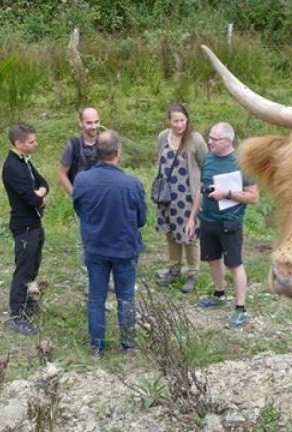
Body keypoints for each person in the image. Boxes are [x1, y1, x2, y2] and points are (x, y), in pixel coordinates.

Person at [72, 129, 147, 356]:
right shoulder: (132, 184)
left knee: (96, 296)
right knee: (126, 297)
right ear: (118, 153)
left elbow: (79, 210)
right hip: (124, 248)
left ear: (96, 152)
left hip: (94, 246)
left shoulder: (82, 180)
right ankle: (129, 345)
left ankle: (96, 345)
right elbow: (141, 220)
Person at [191, 122, 259, 329]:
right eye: (209, 137)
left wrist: (227, 194)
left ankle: (240, 308)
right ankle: (219, 294)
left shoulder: (242, 163)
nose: (209, 142)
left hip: (230, 223)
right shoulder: (209, 159)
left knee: (234, 265)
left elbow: (254, 197)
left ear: (227, 141)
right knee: (212, 259)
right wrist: (192, 217)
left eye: (214, 139)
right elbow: (200, 191)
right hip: (208, 221)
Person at [154, 103, 208, 293]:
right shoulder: (162, 137)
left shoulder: (196, 140)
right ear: (169, 120)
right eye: (175, 121)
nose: (179, 125)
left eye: (182, 120)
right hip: (167, 195)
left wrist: (202, 192)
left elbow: (205, 165)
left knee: (190, 234)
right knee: (170, 233)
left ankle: (193, 272)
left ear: (187, 119)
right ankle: (174, 267)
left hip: (188, 196)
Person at [1, 123, 49, 336]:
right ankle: (17, 315)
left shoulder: (25, 162)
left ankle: (29, 303)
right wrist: (39, 197)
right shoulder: (12, 167)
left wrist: (41, 192)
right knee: (23, 270)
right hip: (24, 226)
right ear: (18, 144)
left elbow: (43, 182)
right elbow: (31, 199)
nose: (35, 144)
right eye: (31, 142)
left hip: (35, 224)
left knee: (33, 267)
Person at [58, 106, 101, 195]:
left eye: (96, 122)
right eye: (89, 123)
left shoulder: (106, 142)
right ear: (80, 123)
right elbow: (62, 173)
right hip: (82, 196)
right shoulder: (73, 145)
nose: (94, 126)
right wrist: (74, 195)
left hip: (103, 196)